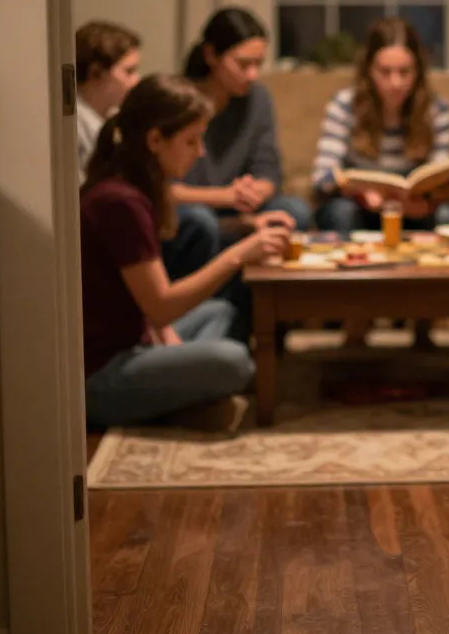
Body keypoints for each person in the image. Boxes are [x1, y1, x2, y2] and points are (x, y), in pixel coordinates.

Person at [80, 73, 291, 434]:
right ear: (155, 140)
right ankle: (183, 404)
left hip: (138, 340)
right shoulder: (120, 202)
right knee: (235, 360)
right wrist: (237, 256)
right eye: (192, 141)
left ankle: (184, 400)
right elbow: (161, 305)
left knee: (221, 310)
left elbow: (150, 308)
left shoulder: (134, 187)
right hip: (101, 374)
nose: (201, 152)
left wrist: (245, 227)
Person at [166, 6, 311, 283]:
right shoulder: (177, 101)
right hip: (193, 211)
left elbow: (269, 170)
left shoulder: (258, 100)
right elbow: (163, 190)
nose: (253, 74)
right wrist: (226, 196)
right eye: (243, 64)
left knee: (295, 212)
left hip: (241, 209)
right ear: (211, 55)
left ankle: (266, 304)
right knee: (200, 220)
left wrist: (254, 191)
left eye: (259, 64)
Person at [311, 17, 449, 233]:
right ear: (369, 70)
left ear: (418, 71)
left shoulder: (436, 109)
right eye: (385, 72)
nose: (395, 83)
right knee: (340, 212)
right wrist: (361, 194)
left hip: (415, 209)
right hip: (360, 207)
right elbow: (321, 178)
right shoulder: (345, 105)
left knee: (447, 214)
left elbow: (442, 178)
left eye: (404, 72)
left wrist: (425, 202)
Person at [74, 20, 141, 184]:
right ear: (96, 72)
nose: (137, 79)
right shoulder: (72, 126)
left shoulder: (115, 117)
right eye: (129, 71)